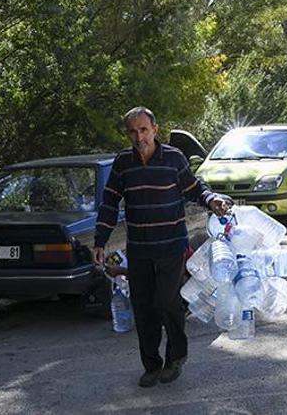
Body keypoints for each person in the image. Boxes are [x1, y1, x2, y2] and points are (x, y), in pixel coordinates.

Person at [93, 106, 230, 388]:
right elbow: (109, 203)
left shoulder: (173, 158)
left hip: (170, 247)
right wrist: (100, 241)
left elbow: (194, 188)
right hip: (140, 250)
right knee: (143, 309)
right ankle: (151, 366)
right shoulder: (123, 163)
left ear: (155, 129)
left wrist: (212, 200)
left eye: (143, 129)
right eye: (133, 131)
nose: (138, 136)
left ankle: (176, 357)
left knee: (167, 303)